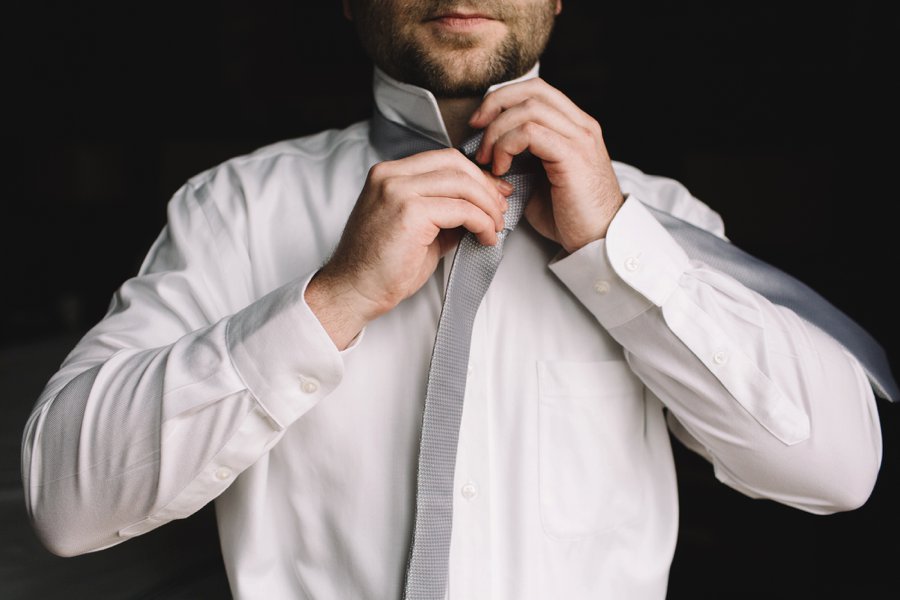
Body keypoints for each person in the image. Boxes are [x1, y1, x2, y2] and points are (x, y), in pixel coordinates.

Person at [21, 1, 888, 598]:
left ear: (555, 4)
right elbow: (67, 502)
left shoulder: (661, 221)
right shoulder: (235, 209)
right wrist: (333, 299)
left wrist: (621, 253)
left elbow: (838, 470)